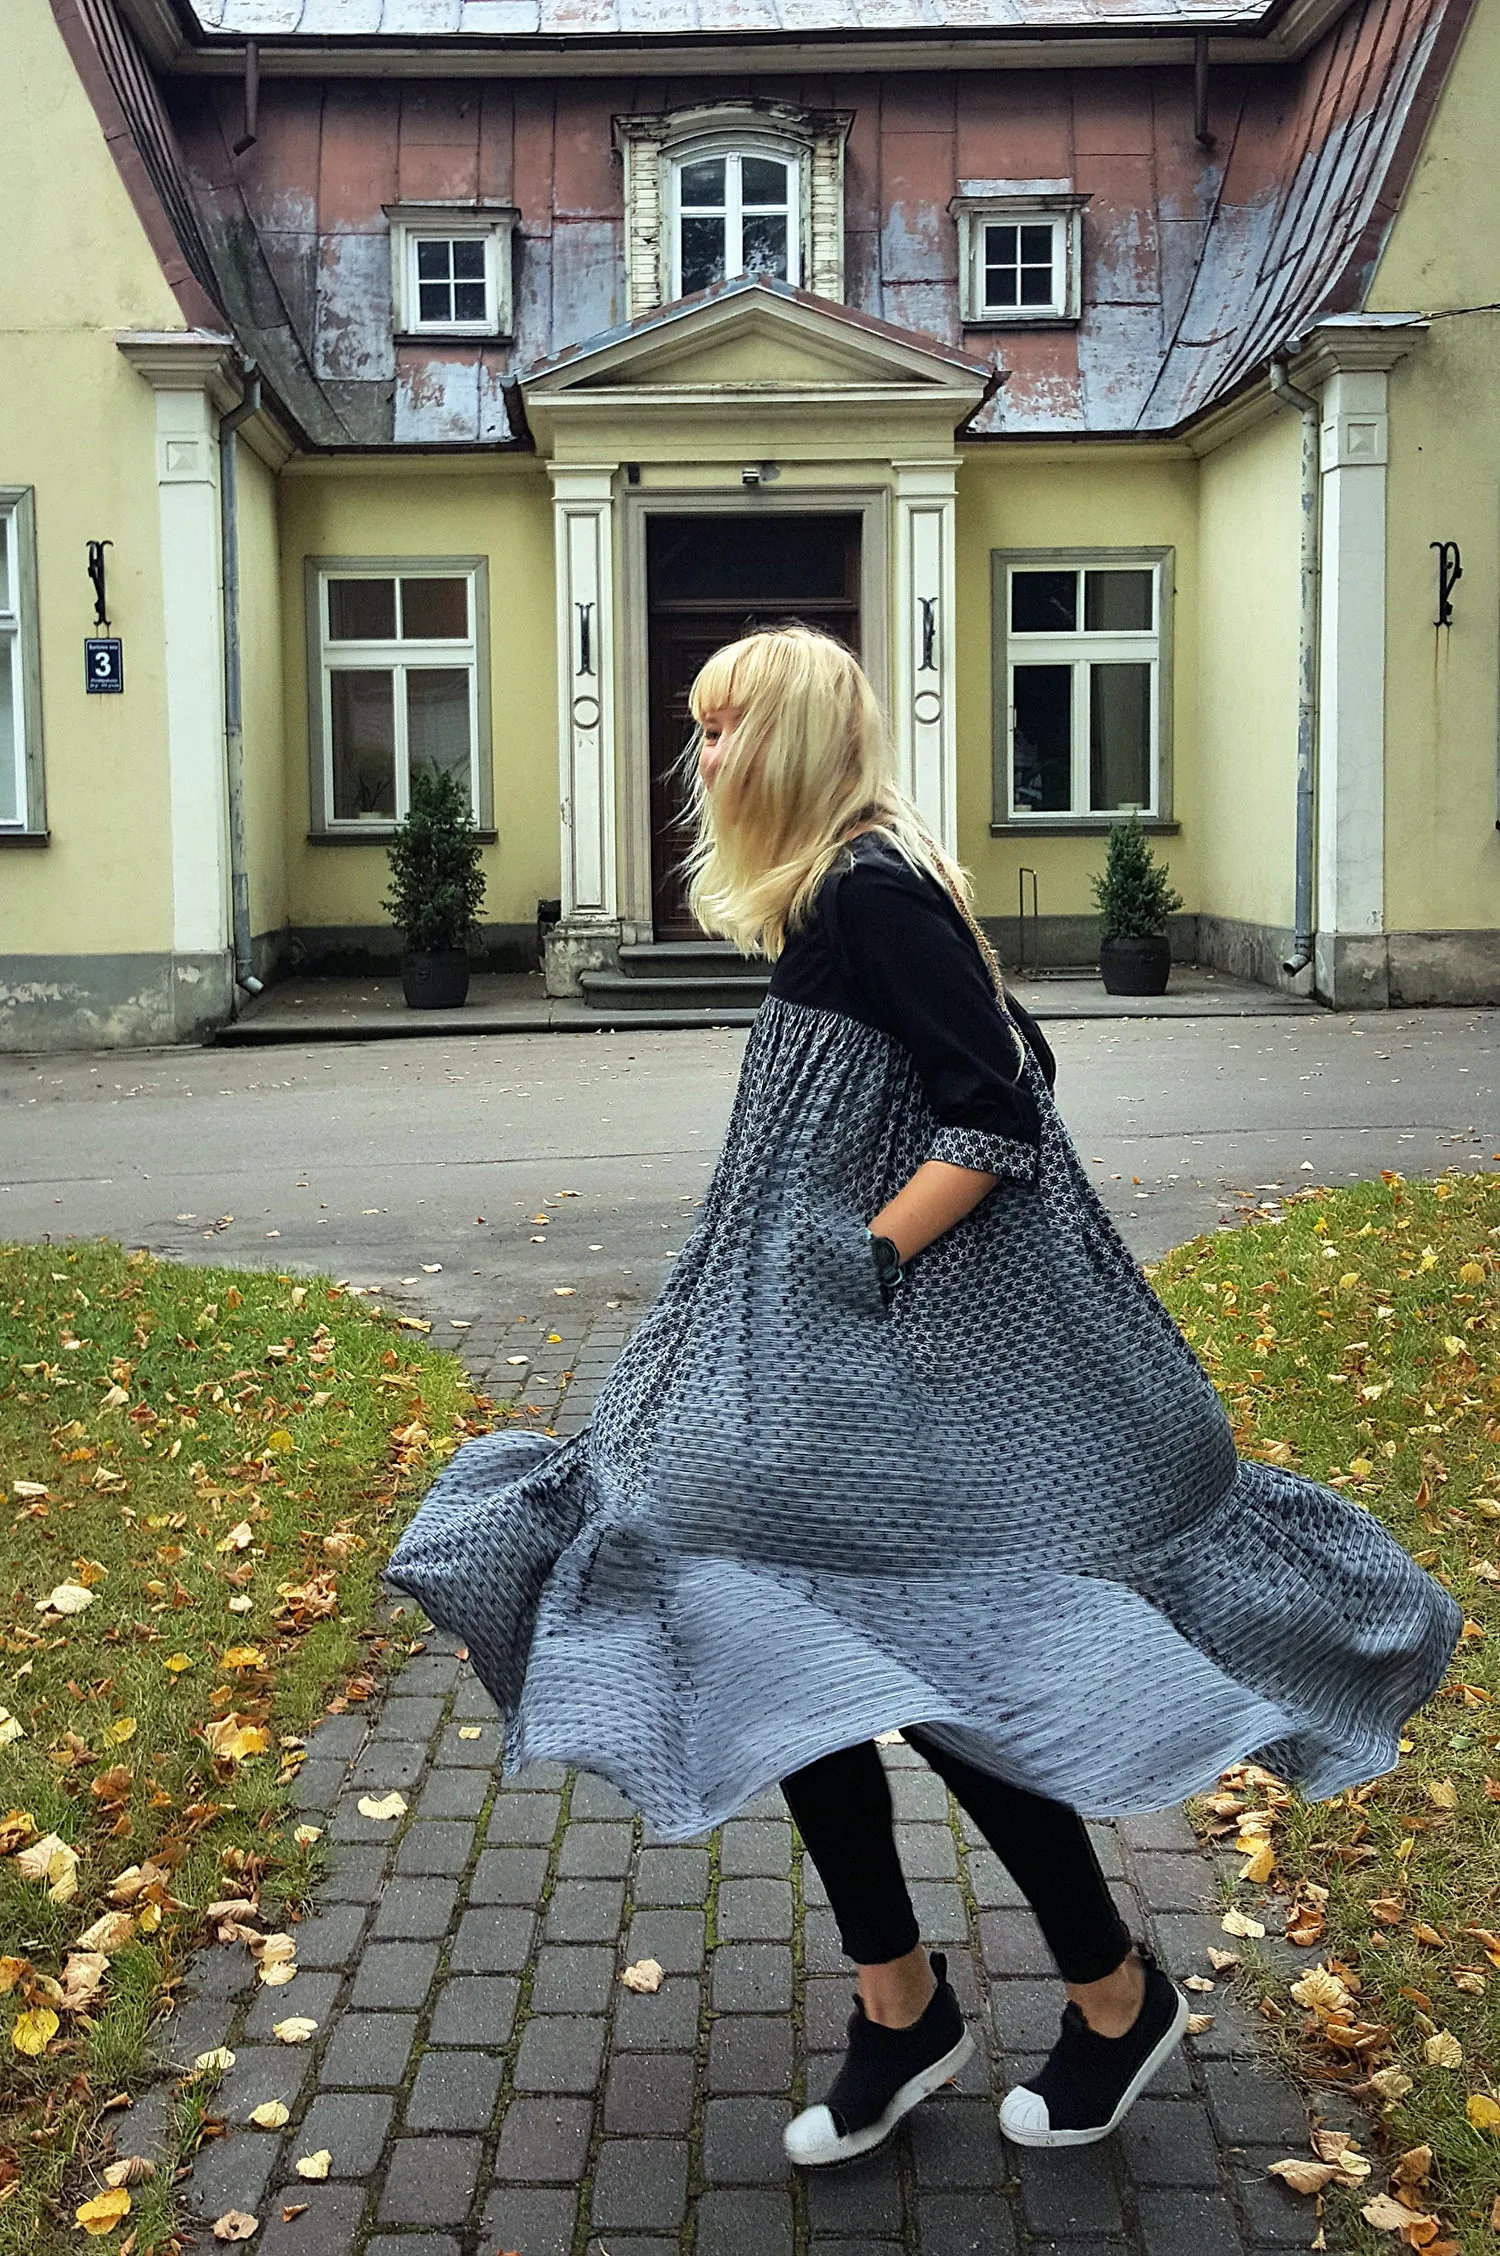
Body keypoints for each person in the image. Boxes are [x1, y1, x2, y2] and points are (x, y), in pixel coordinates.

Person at [388, 625, 1460, 2168]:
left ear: (797, 743)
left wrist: (863, 1254)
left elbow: (998, 1109)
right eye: (694, 729)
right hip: (824, 1368)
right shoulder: (846, 887)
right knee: (768, 1634)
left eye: (722, 731)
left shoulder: (871, 891)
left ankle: (1107, 1996)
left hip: (875, 1359)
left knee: (930, 1670)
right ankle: (906, 2006)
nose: (701, 759)